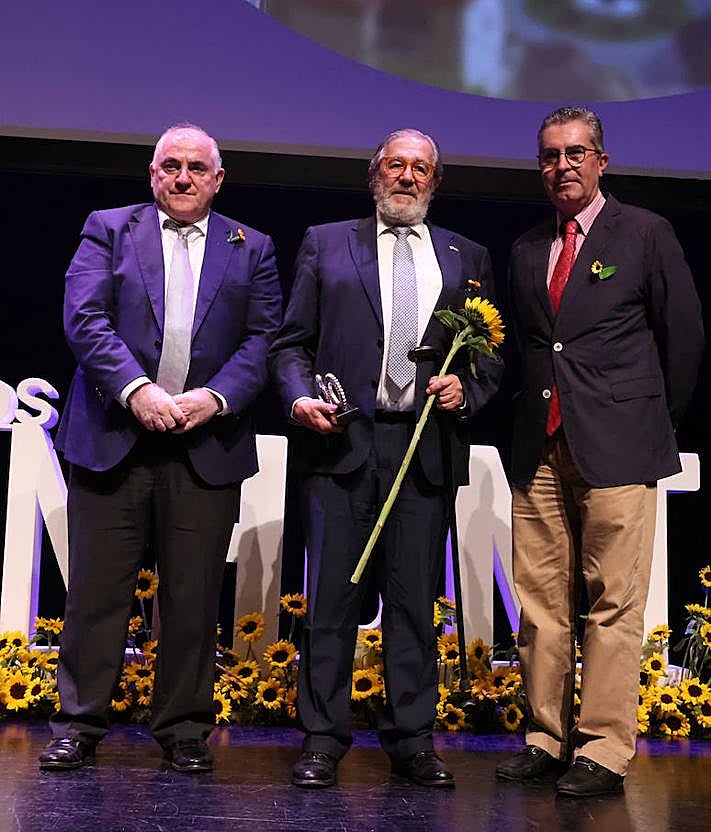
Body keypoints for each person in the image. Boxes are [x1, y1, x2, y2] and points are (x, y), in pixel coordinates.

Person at [39, 124, 282, 772]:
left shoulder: (249, 246)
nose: (181, 177)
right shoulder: (108, 228)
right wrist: (136, 390)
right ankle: (79, 724)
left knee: (192, 594)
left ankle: (182, 731)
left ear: (217, 179)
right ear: (152, 175)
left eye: (195, 167)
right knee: (95, 592)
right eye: (170, 166)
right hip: (115, 437)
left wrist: (215, 399)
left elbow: (262, 340)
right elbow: (83, 318)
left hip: (205, 444)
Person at [269, 128, 502, 788]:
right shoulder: (326, 242)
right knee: (332, 599)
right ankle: (321, 738)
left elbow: (488, 356)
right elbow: (290, 345)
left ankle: (411, 739)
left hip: (423, 447)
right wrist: (296, 400)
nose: (407, 177)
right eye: (396, 165)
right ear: (375, 174)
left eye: (420, 168)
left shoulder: (467, 254)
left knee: (411, 605)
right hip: (342, 443)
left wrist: (470, 387)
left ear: (434, 181)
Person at [496, 107, 704, 796]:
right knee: (540, 606)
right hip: (540, 450)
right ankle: (545, 737)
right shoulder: (527, 246)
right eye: (550, 155)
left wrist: (645, 422)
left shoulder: (644, 232)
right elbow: (533, 349)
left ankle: (603, 748)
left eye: (576, 152)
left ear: (601, 161)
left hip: (618, 447)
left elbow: (682, 338)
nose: (563, 165)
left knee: (612, 605)